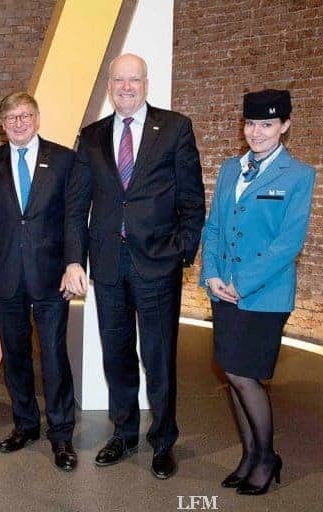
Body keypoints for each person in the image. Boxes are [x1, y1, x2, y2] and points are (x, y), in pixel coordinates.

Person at [73, 53, 205, 479]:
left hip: (157, 265)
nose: (126, 87)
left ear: (146, 84)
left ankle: (163, 440)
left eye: (134, 80)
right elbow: (76, 207)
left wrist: (182, 250)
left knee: (159, 357)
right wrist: (75, 258)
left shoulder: (174, 128)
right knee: (117, 356)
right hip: (109, 266)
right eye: (118, 80)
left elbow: (191, 198)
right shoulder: (91, 136)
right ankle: (124, 434)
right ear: (109, 85)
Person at [200, 89, 315, 495]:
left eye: (267, 124)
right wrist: (211, 275)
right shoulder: (232, 168)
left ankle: (267, 457)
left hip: (263, 296)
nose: (257, 132)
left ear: (285, 125)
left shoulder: (299, 175)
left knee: (245, 375)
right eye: (251, 123)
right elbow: (212, 226)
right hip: (222, 291)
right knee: (232, 373)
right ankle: (249, 454)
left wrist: (240, 283)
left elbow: (289, 243)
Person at [0, 92, 84, 471]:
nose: (19, 123)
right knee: (14, 354)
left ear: (37, 118)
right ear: (2, 125)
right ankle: (25, 424)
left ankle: (62, 434)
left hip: (52, 275)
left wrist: (73, 263)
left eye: (26, 116)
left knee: (53, 355)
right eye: (12, 118)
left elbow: (72, 218)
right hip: (4, 274)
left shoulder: (64, 158)